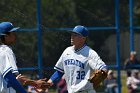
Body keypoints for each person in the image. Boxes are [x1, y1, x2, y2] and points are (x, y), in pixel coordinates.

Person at [35, 25, 108, 93]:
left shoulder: (90, 53)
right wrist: (48, 83)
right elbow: (59, 72)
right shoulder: (67, 51)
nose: (72, 37)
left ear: (83, 38)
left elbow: (103, 67)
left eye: (75, 35)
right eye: (72, 34)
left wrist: (103, 72)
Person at [0, 22, 27, 93]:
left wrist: (34, 83)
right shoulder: (5, 51)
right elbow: (9, 77)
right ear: (5, 36)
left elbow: (16, 78)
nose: (15, 35)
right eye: (12, 32)